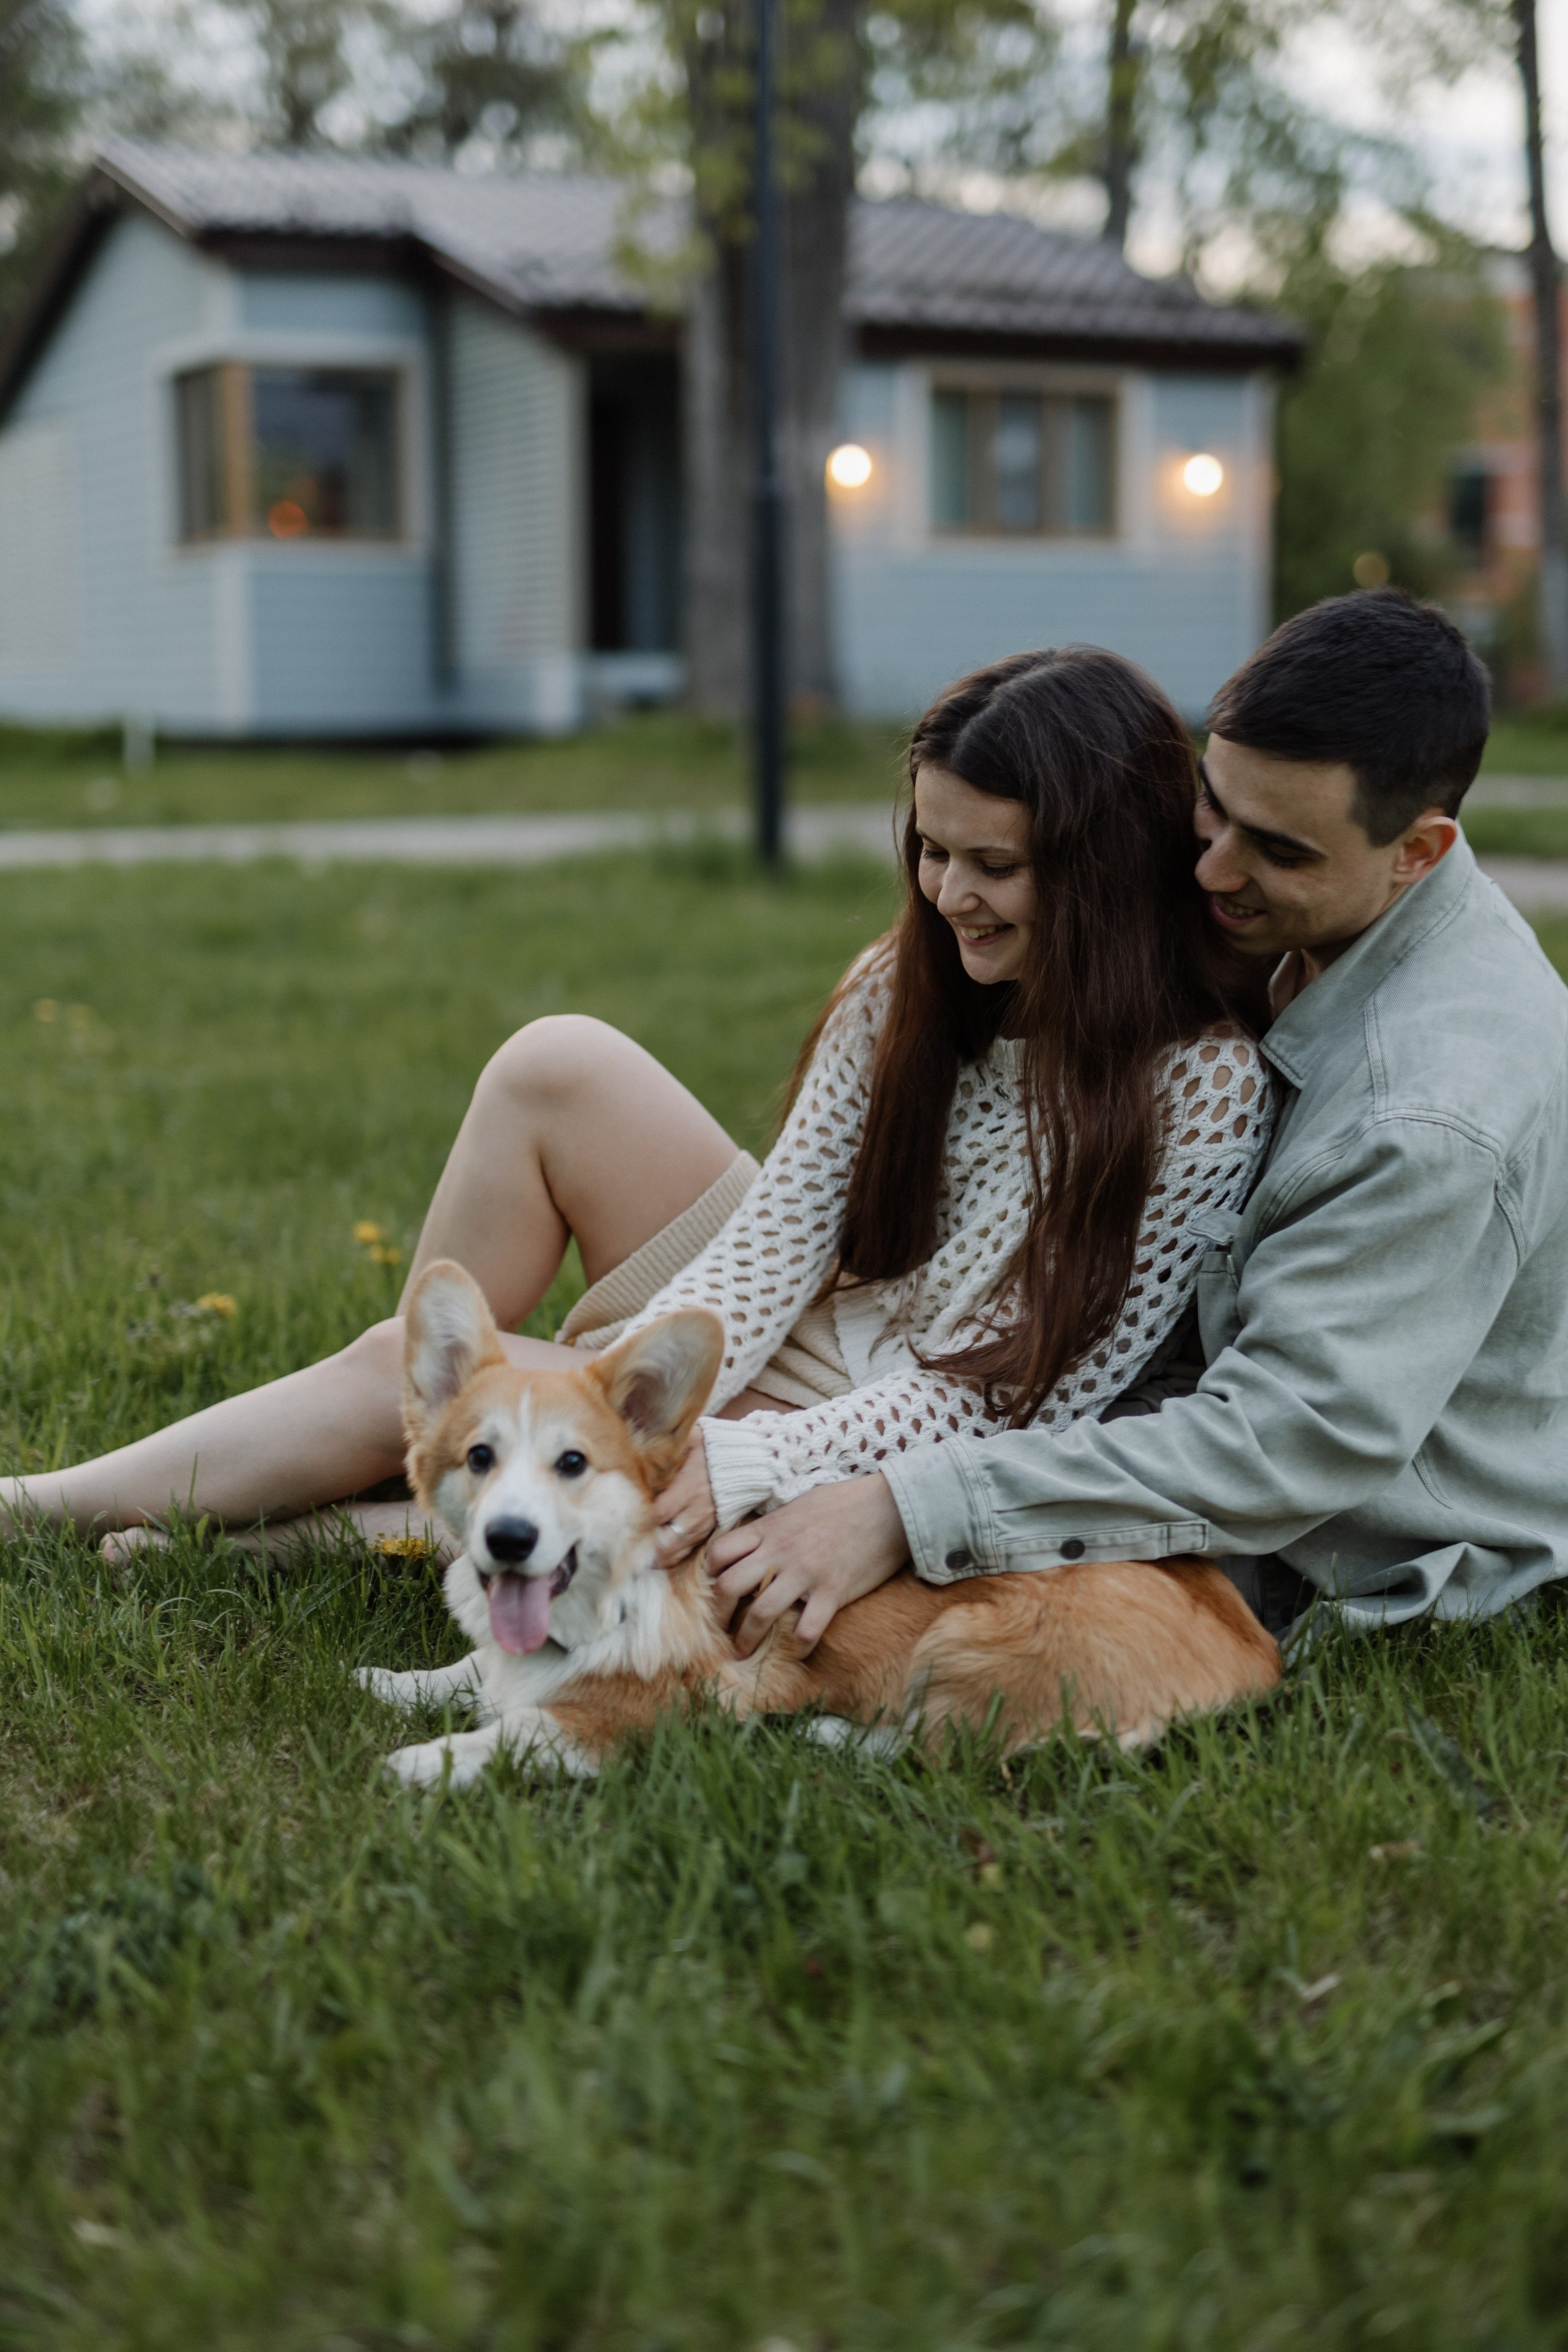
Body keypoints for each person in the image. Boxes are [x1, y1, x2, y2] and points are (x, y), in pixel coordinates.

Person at [1, 647, 1272, 1572]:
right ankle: (404, 1448)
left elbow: (1005, 1402)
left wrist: (730, 1453)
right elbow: (782, 1229)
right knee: (558, 1065)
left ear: (1099, 870)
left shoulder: (1197, 1086)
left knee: (482, 1404)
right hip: (818, 1311)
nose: (947, 893)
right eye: (930, 850)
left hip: (902, 1421)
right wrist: (618, 1392)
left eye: (993, 865)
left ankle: (320, 1528)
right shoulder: (910, 977)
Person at [710, 587, 1568, 1655]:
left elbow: (1271, 1452)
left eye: (1281, 851)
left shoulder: (1426, 1112)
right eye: (1214, 805)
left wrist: (903, 1506)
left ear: (1419, 851)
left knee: (706, 1484)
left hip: (1294, 1533)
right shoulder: (1309, 919)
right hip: (1013, 1362)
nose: (1207, 870)